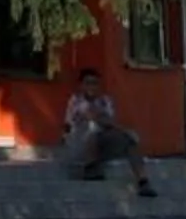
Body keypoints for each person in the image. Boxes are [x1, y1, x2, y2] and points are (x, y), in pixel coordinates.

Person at [63, 68, 156, 197]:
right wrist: (117, 127)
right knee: (92, 130)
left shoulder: (105, 101)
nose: (91, 87)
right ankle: (90, 168)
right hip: (81, 144)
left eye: (94, 83)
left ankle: (143, 181)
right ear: (81, 85)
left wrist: (124, 132)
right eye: (88, 83)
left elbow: (109, 122)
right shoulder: (76, 101)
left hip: (102, 142)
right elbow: (94, 117)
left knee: (130, 141)